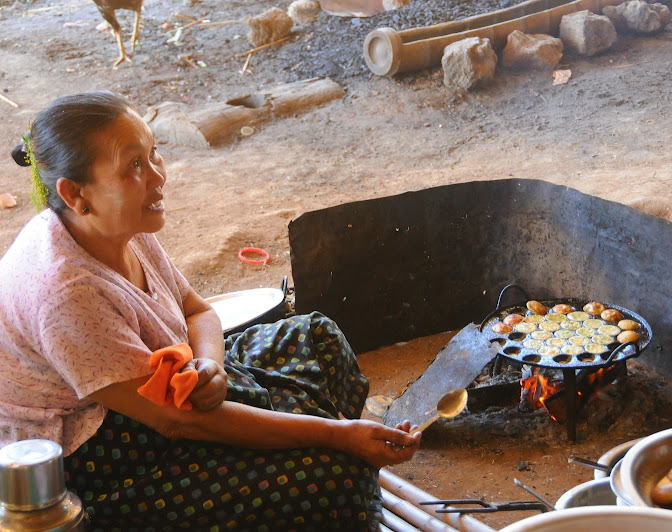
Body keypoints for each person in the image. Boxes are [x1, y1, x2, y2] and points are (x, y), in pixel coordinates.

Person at [0, 91, 420, 531]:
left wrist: (210, 367)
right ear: (75, 193)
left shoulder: (116, 219)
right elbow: (176, 422)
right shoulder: (65, 293)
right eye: (134, 166)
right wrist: (338, 437)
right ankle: (335, 454)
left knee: (319, 337)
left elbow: (197, 310)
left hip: (167, 392)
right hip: (102, 451)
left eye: (153, 154)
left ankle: (315, 443)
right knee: (336, 476)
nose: (158, 176)